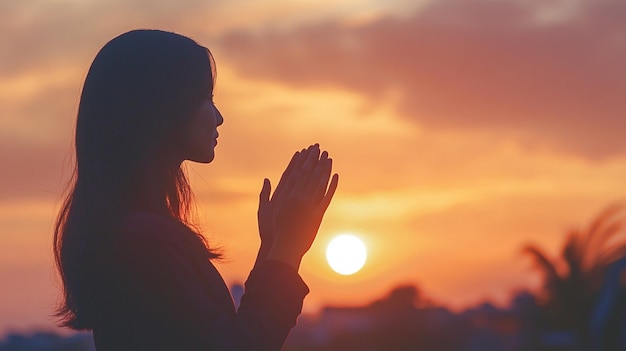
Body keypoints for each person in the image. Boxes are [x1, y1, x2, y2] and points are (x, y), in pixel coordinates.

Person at [53, 29, 339, 350]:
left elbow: (233, 336)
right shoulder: (143, 240)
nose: (218, 117)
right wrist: (287, 248)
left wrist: (273, 247)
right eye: (206, 98)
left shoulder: (133, 231)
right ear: (163, 106)